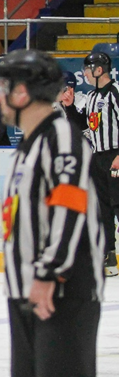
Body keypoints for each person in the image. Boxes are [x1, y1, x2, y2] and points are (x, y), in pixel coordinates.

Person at [0, 49, 104, 377]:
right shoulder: (27, 146)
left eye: (3, 88)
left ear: (22, 93)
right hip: (26, 289)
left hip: (60, 291)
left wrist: (49, 273)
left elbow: (70, 205)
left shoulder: (62, 137)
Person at [79, 51, 119, 277]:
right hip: (98, 157)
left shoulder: (115, 92)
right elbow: (85, 127)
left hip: (115, 156)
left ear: (99, 70)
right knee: (103, 210)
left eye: (87, 69)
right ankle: (109, 256)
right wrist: (69, 107)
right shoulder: (91, 96)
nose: (85, 73)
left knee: (118, 205)